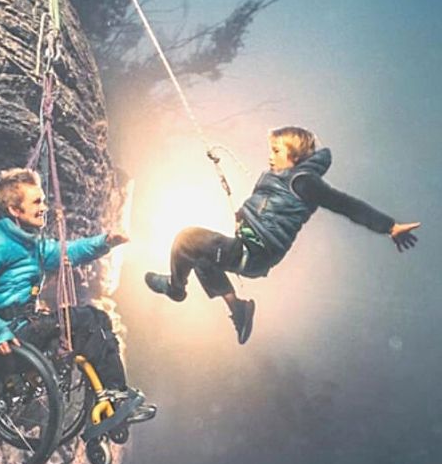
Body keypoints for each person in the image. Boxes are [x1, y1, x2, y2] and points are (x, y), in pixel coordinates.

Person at [145, 126, 421, 344]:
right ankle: (238, 308)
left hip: (255, 253)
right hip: (249, 249)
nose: (270, 155)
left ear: (295, 156)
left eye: (276, 150)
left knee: (187, 239)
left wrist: (389, 226)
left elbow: (345, 204)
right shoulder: (280, 178)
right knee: (203, 259)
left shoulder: (303, 182)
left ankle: (175, 288)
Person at [0, 168, 151, 419]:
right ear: (14, 210)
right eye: (36, 202)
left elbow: (66, 253)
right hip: (10, 333)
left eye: (43, 200)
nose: (44, 207)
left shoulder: (32, 243)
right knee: (88, 320)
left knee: (98, 321)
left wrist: (105, 241)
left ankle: (111, 400)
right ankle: (114, 397)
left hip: (26, 325)